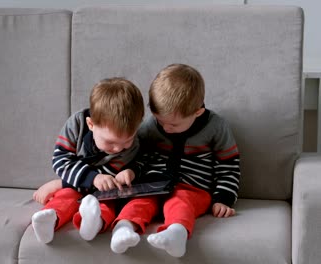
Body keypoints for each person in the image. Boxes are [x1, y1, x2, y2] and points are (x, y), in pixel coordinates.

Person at [32, 77, 157, 254]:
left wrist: (132, 171)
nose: (118, 148)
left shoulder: (136, 141)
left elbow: (145, 161)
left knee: (107, 203)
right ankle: (51, 220)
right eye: (110, 142)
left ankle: (93, 223)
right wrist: (92, 178)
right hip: (79, 183)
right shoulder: (77, 125)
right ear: (91, 124)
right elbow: (61, 160)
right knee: (65, 196)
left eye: (127, 141)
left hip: (109, 193)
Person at [139, 64, 241, 257]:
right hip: (155, 185)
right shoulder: (152, 126)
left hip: (194, 189)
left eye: (173, 124)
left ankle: (177, 234)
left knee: (180, 201)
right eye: (160, 121)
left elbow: (228, 166)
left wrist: (223, 198)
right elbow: (133, 152)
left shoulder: (216, 127)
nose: (165, 128)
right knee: (139, 201)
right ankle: (125, 229)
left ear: (197, 112)